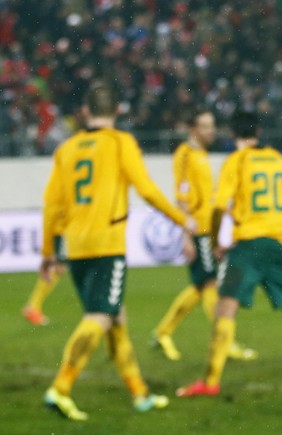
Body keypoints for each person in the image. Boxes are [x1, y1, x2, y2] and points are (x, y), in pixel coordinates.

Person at [40, 83, 197, 421]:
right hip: (106, 246)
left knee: (115, 319)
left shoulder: (66, 149)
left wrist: (48, 251)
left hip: (75, 246)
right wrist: (181, 219)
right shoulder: (120, 143)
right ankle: (61, 387)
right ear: (117, 111)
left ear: (85, 112)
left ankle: (139, 393)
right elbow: (146, 189)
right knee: (99, 316)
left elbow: (52, 204)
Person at [176, 110, 282, 397]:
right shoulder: (277, 160)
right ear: (258, 133)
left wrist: (214, 240)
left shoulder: (235, 161)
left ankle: (210, 381)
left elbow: (218, 206)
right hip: (274, 243)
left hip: (247, 245)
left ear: (233, 135)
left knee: (225, 308)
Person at [151, 107, 257, 362]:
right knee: (210, 284)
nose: (211, 130)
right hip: (197, 230)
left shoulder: (200, 154)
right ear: (193, 129)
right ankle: (225, 342)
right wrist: (186, 235)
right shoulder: (186, 155)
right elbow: (183, 197)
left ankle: (163, 332)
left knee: (201, 286)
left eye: (212, 125)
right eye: (206, 126)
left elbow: (206, 195)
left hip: (206, 228)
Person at [22, 232, 66, 326]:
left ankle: (33, 306)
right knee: (57, 266)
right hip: (62, 231)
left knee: (58, 267)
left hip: (63, 230)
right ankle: (32, 306)